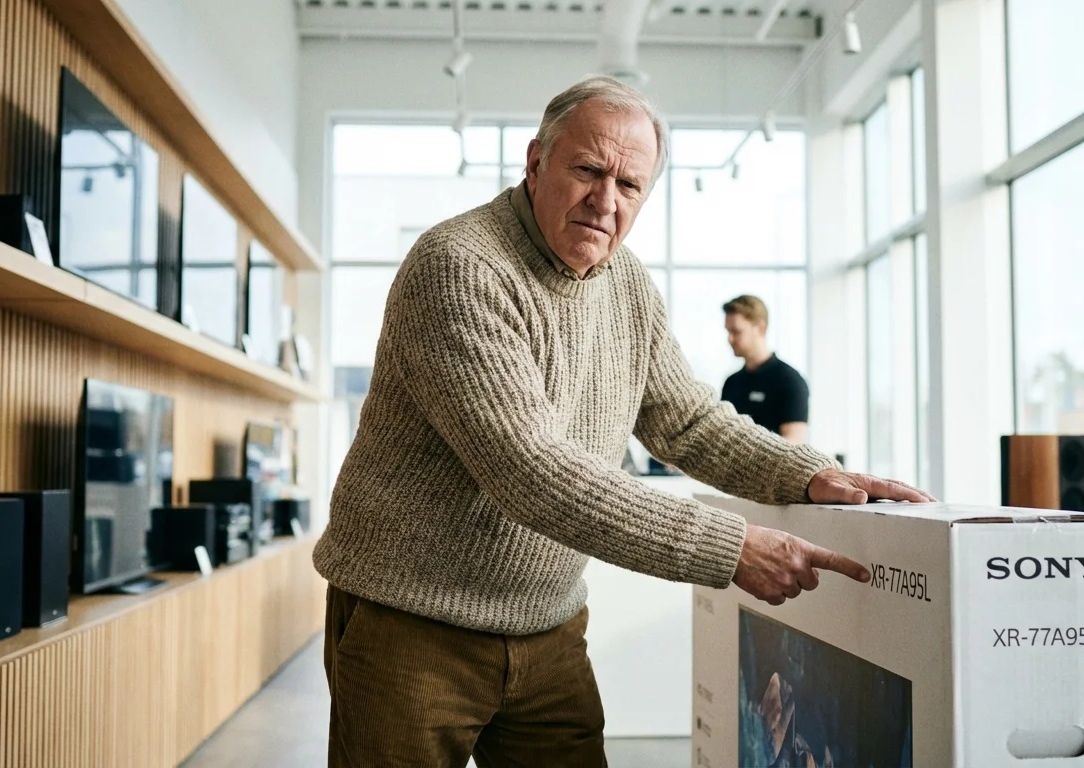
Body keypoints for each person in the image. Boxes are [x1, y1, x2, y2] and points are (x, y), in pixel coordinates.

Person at [312, 76, 931, 768]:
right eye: (588, 170)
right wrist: (729, 548)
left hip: (547, 625)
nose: (606, 202)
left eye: (630, 185)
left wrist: (812, 473)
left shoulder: (627, 282)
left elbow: (687, 420)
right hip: (411, 623)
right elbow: (531, 469)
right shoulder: (458, 266)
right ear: (536, 162)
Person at [721, 295, 811, 443]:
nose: (730, 339)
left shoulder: (790, 381)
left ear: (761, 328)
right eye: (728, 331)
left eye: (736, 331)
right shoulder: (731, 382)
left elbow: (794, 443)